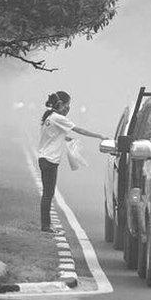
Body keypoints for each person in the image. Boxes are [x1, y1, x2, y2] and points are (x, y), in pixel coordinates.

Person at [37, 91, 106, 232]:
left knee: (47, 193)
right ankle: (45, 226)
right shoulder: (58, 118)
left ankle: (46, 224)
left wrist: (66, 138)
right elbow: (79, 130)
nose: (68, 108)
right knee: (48, 194)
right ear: (61, 104)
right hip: (50, 161)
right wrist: (99, 135)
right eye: (67, 105)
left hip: (44, 158)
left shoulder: (50, 117)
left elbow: (52, 136)